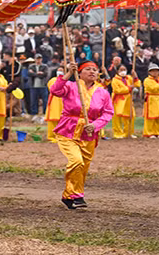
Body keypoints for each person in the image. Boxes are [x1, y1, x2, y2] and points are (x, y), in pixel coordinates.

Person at [49, 60, 114, 209]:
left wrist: (95, 125)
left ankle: (68, 195)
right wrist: (68, 74)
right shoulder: (72, 86)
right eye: (88, 69)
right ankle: (78, 195)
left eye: (95, 70)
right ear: (80, 72)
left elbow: (108, 112)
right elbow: (55, 90)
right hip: (68, 130)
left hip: (88, 132)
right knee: (76, 161)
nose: (92, 72)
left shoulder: (102, 92)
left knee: (83, 166)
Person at [109, 66, 140, 139]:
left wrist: (135, 76)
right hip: (119, 99)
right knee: (117, 117)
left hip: (128, 99)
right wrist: (129, 88)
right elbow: (117, 90)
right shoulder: (115, 80)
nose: (123, 71)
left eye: (124, 69)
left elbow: (137, 84)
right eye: (121, 70)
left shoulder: (128, 78)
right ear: (117, 70)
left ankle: (129, 132)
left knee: (130, 116)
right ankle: (118, 133)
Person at [142, 63, 159, 138]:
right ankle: (149, 132)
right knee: (150, 117)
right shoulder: (147, 80)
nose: (155, 72)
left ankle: (158, 132)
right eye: (153, 71)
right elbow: (152, 88)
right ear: (149, 72)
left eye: (156, 71)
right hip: (151, 99)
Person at [44, 68, 65, 142]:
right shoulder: (53, 80)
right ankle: (51, 136)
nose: (61, 72)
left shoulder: (67, 81)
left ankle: (61, 135)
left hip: (63, 101)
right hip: (54, 100)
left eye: (62, 70)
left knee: (63, 119)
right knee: (53, 118)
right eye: (59, 70)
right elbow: (52, 88)